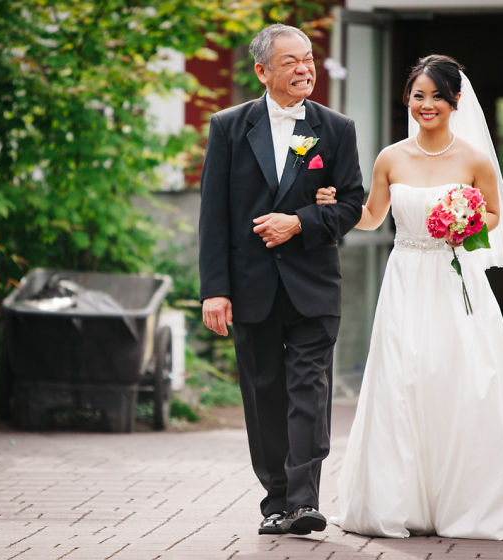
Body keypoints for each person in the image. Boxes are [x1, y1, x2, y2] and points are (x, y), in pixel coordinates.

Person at [316, 55, 503, 540]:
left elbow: (496, 216)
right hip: (405, 278)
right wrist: (337, 208)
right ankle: (401, 501)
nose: (427, 104)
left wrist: (466, 222)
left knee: (465, 375)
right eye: (418, 95)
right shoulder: (390, 157)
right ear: (408, 101)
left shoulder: (475, 158)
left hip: (456, 279)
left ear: (456, 100)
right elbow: (374, 216)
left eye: (437, 95)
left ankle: (470, 497)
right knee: (402, 376)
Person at [198, 24, 365, 535]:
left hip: (313, 284)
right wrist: (215, 290)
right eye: (291, 61)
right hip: (250, 287)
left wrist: (301, 222)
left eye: (308, 58)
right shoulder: (228, 126)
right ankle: (276, 500)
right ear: (262, 71)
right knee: (264, 393)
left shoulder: (335, 128)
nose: (304, 68)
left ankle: (304, 500)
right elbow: (215, 215)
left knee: (309, 391)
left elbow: (353, 205)